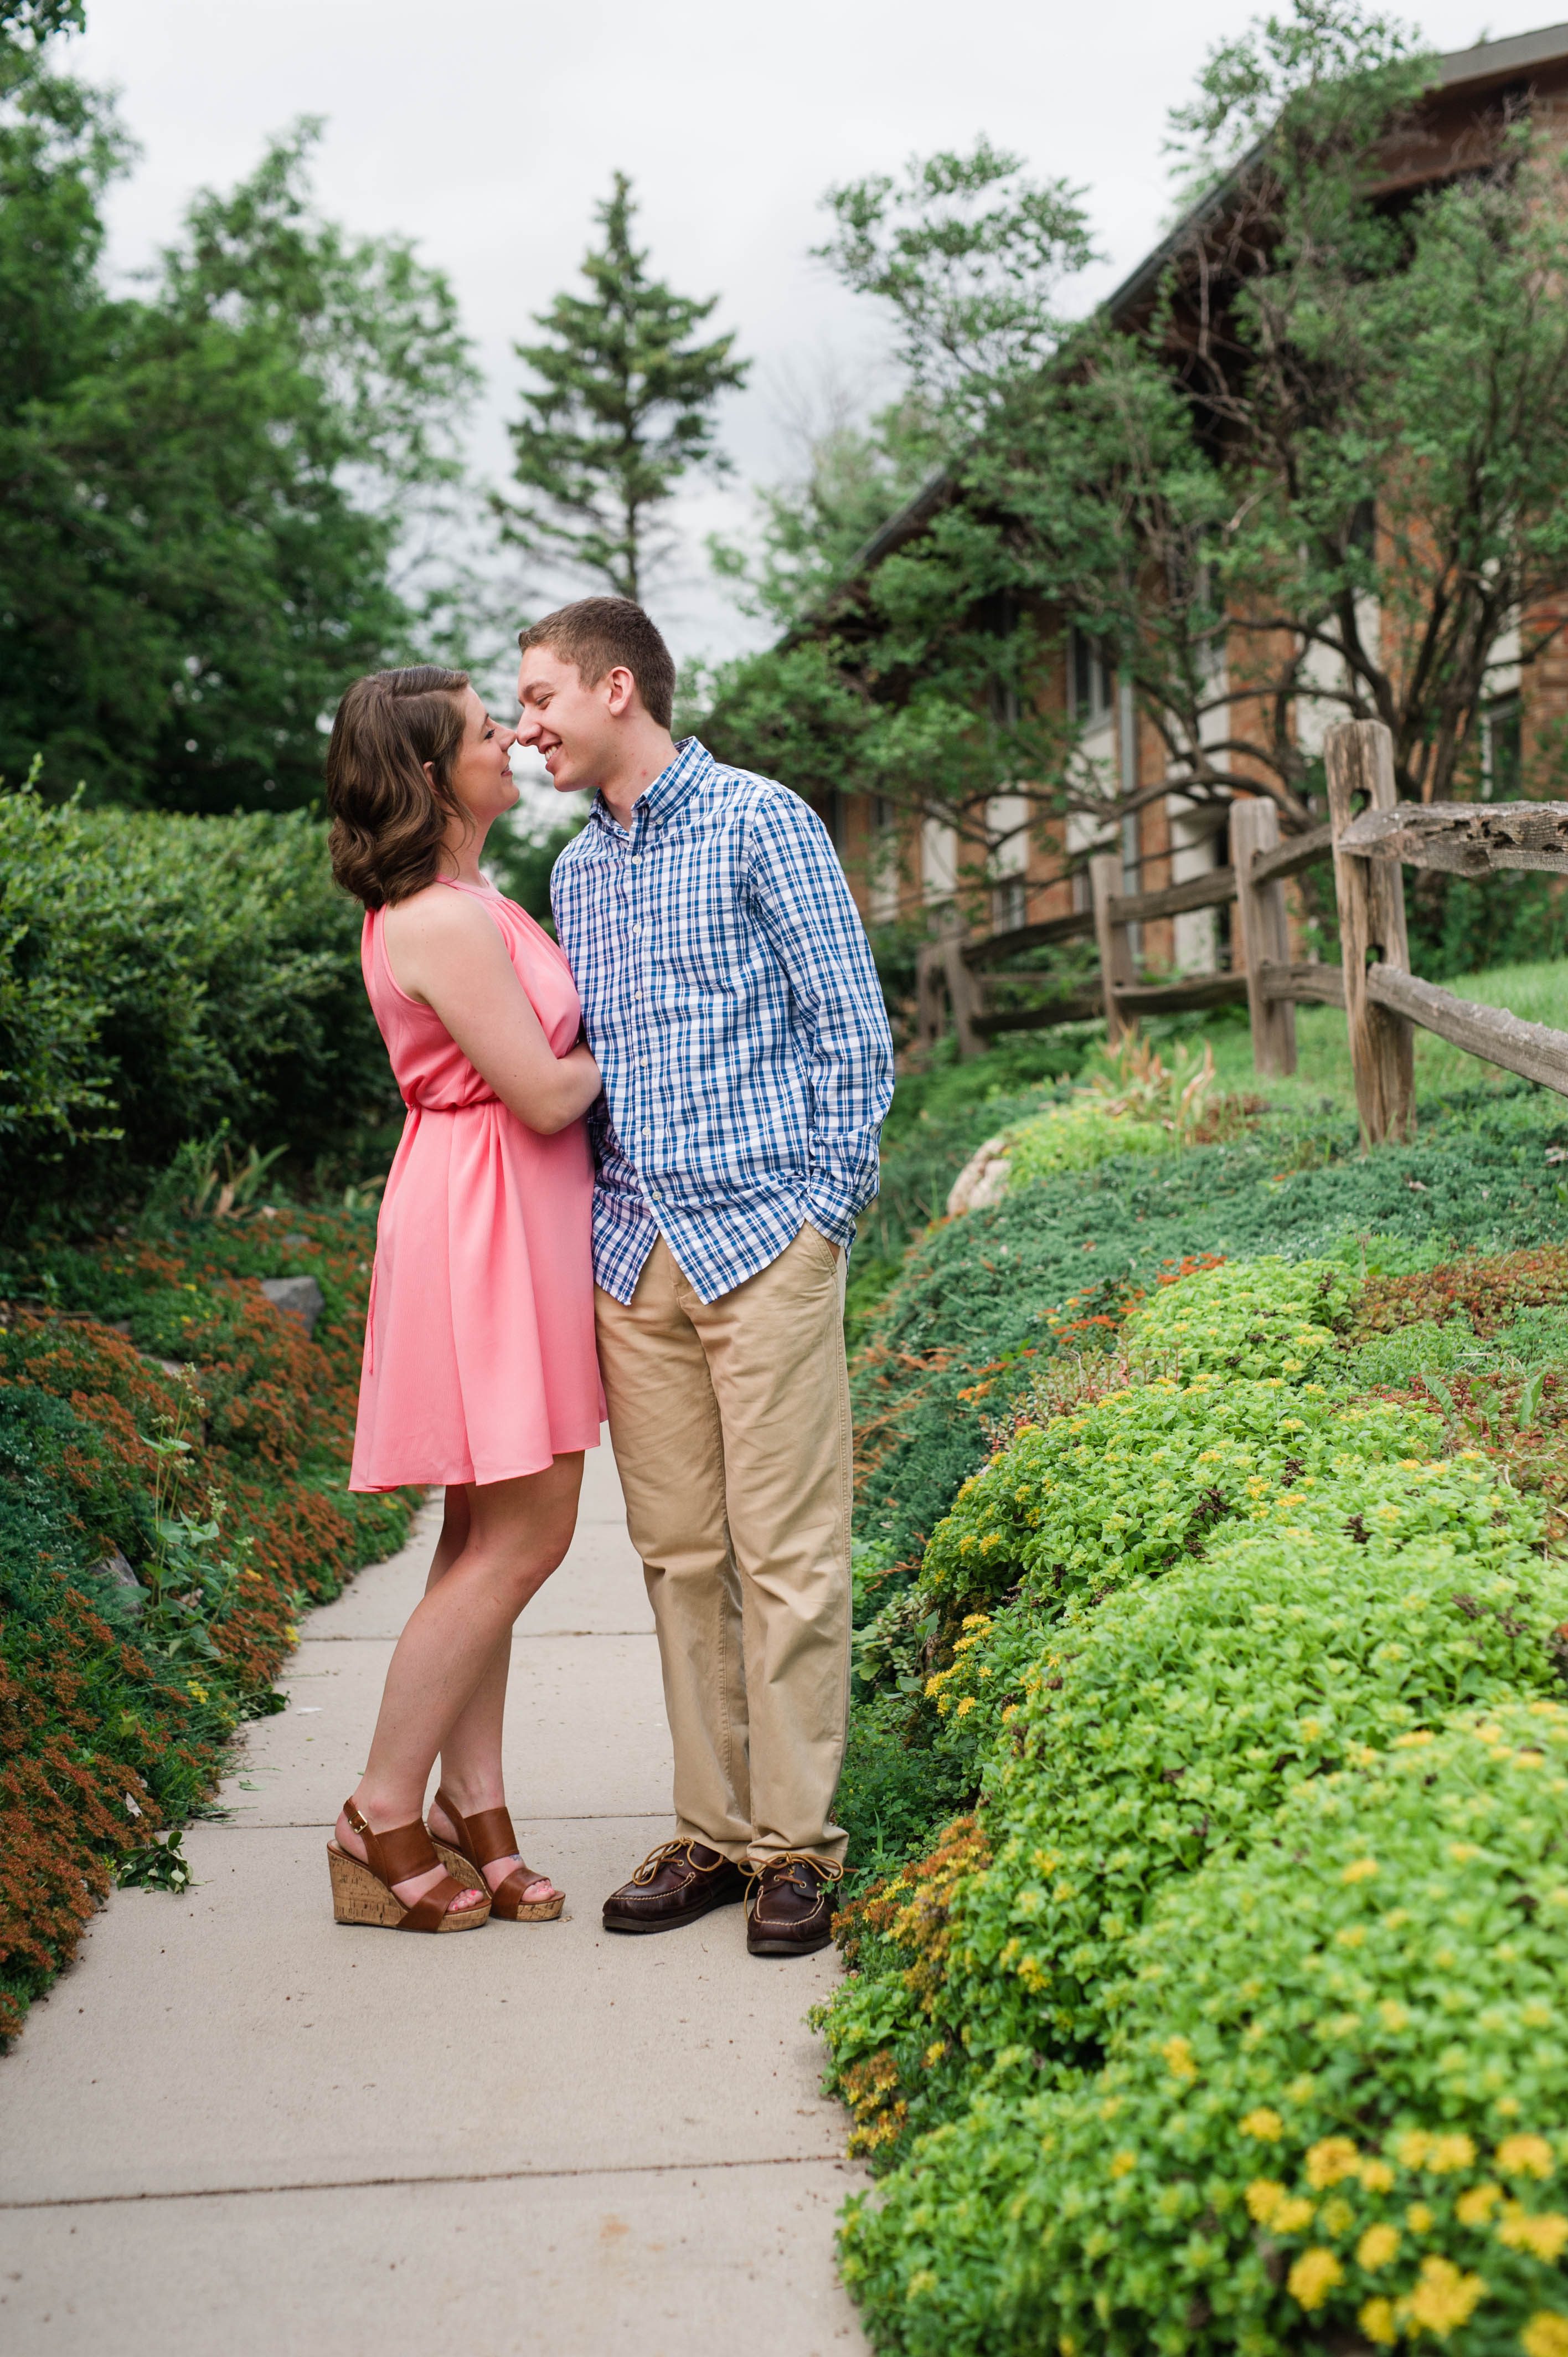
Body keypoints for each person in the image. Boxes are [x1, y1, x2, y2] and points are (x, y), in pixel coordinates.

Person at [520, 598, 894, 1958]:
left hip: (765, 1240)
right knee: (681, 1559)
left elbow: (852, 1033)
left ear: (618, 688)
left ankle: (799, 1847)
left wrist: (824, 1216)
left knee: (787, 1554)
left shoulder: (758, 822)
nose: (526, 725)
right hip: (637, 1255)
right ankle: (714, 1830)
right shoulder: (572, 875)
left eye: (541, 696)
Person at [321, 665, 603, 1933]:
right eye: (492, 731)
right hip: (484, 1216)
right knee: (530, 1533)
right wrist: (667, 1032)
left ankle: (467, 1800)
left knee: (482, 1534)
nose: (514, 741)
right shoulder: (438, 919)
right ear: (434, 775)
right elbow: (545, 1097)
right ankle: (381, 1807)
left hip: (508, 1212)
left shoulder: (467, 897)